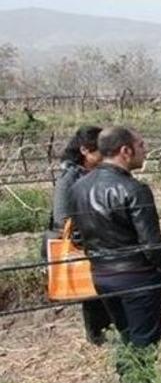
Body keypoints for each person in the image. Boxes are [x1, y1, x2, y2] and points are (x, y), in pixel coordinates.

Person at [70, 126, 161, 383]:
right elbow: (151, 243)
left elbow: (76, 235)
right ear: (125, 151)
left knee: (125, 335)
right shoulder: (134, 189)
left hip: (102, 276)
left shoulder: (79, 186)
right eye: (141, 145)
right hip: (138, 277)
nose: (146, 151)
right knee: (144, 340)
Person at [44, 126, 111, 346]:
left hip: (101, 236)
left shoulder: (100, 172)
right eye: (101, 150)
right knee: (92, 287)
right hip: (83, 240)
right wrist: (86, 234)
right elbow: (62, 217)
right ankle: (96, 335)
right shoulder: (69, 178)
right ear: (85, 150)